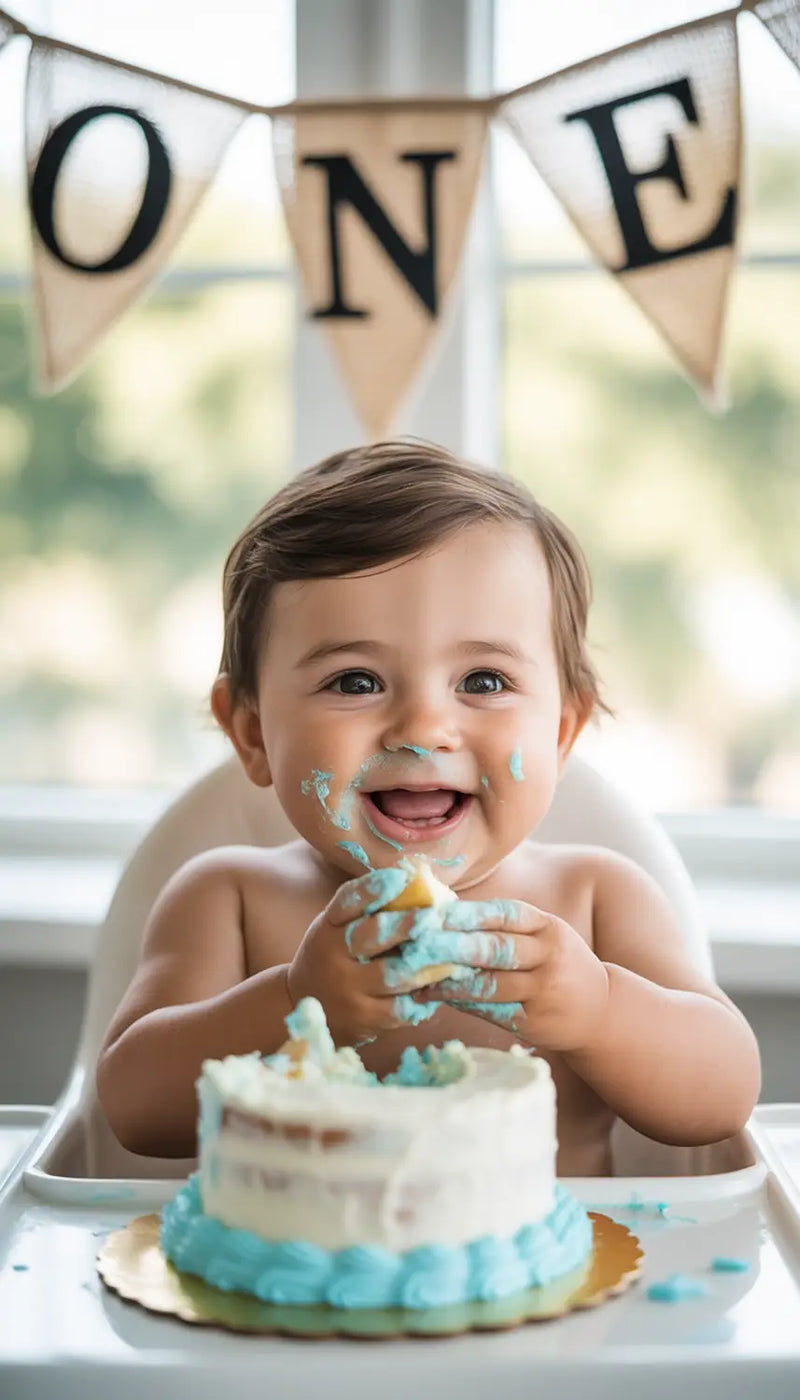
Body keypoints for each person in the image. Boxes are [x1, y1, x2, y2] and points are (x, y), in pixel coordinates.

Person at [96, 439, 760, 1169]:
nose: (421, 729)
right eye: (354, 682)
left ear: (562, 730)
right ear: (251, 733)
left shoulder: (596, 898)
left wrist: (599, 1010)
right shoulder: (230, 900)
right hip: (285, 1281)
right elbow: (131, 1109)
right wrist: (294, 1002)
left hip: (571, 1281)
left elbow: (723, 1099)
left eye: (482, 681)